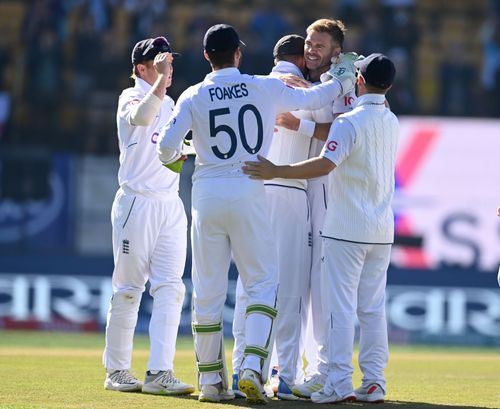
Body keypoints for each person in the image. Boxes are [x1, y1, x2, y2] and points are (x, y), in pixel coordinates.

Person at [156, 24, 358, 404]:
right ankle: (251, 368)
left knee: (209, 290)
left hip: (207, 192)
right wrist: (345, 78)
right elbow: (317, 94)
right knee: (263, 284)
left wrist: (180, 157)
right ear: (237, 54)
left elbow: (165, 148)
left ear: (205, 57)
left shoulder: (193, 94)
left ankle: (212, 383)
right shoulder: (259, 85)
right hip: (251, 188)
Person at [243, 53, 398, 404]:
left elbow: (325, 164)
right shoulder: (391, 120)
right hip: (381, 231)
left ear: (359, 81)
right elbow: (378, 100)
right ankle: (374, 382)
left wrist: (277, 170)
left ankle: (338, 385)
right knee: (372, 309)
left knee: (339, 309)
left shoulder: (350, 123)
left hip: (345, 229)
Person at [102, 36, 194, 396]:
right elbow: (141, 118)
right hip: (136, 203)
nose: (168, 69)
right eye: (160, 62)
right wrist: (159, 77)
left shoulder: (171, 101)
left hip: (169, 204)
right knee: (128, 290)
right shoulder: (132, 96)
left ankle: (160, 372)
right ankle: (117, 370)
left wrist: (182, 152)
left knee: (171, 289)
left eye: (170, 62)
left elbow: (170, 154)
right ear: (141, 67)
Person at [275, 19, 358, 399]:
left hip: (328, 189)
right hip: (302, 190)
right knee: (301, 283)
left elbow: (342, 132)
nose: (311, 49)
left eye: (319, 45)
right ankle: (299, 367)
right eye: (309, 42)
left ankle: (327, 370)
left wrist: (298, 123)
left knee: (323, 286)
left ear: (336, 51)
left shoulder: (344, 81)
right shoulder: (309, 83)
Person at [230, 34, 313, 401]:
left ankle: (240, 370)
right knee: (291, 291)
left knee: (250, 286)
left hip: (251, 193)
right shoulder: (307, 91)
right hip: (291, 191)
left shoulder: (253, 88)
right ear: (300, 58)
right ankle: (287, 375)